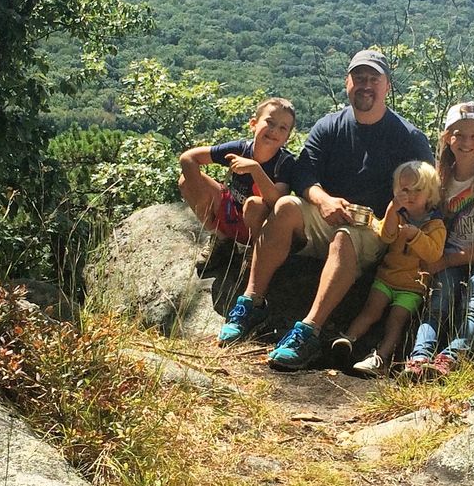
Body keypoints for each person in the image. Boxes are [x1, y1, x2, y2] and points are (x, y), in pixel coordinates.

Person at [216, 49, 434, 369]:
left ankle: (309, 331)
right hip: (324, 213)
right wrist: (322, 199)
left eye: (374, 79)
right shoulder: (330, 126)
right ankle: (251, 303)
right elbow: (304, 172)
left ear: (388, 85)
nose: (366, 85)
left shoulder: (409, 138)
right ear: (347, 82)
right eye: (359, 78)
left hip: (371, 227)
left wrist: (392, 218)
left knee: (345, 237)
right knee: (287, 205)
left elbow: (424, 191)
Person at [402, 101, 474, 379]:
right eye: (459, 135)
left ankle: (451, 355)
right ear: (447, 138)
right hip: (449, 249)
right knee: (440, 301)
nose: (466, 142)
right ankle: (419, 357)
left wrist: (445, 261)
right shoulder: (438, 179)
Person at [330, 160, 446, 377]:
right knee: (370, 311)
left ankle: (380, 359)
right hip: (386, 278)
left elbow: (434, 253)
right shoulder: (399, 213)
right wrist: (393, 207)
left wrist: (416, 236)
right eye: (403, 190)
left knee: (396, 321)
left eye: (417, 190)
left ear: (430, 194)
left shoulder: (435, 224)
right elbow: (386, 235)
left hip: (412, 287)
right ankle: (347, 340)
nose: (409, 195)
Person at [178, 97, 296, 246]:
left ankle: (255, 251)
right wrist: (201, 198)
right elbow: (188, 158)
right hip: (230, 212)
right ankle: (220, 240)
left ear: (287, 138)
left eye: (283, 128)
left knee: (254, 204)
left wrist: (255, 169)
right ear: (253, 124)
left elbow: (277, 202)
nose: (274, 130)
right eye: (270, 122)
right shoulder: (241, 149)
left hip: (260, 223)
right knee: (185, 180)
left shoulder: (285, 163)